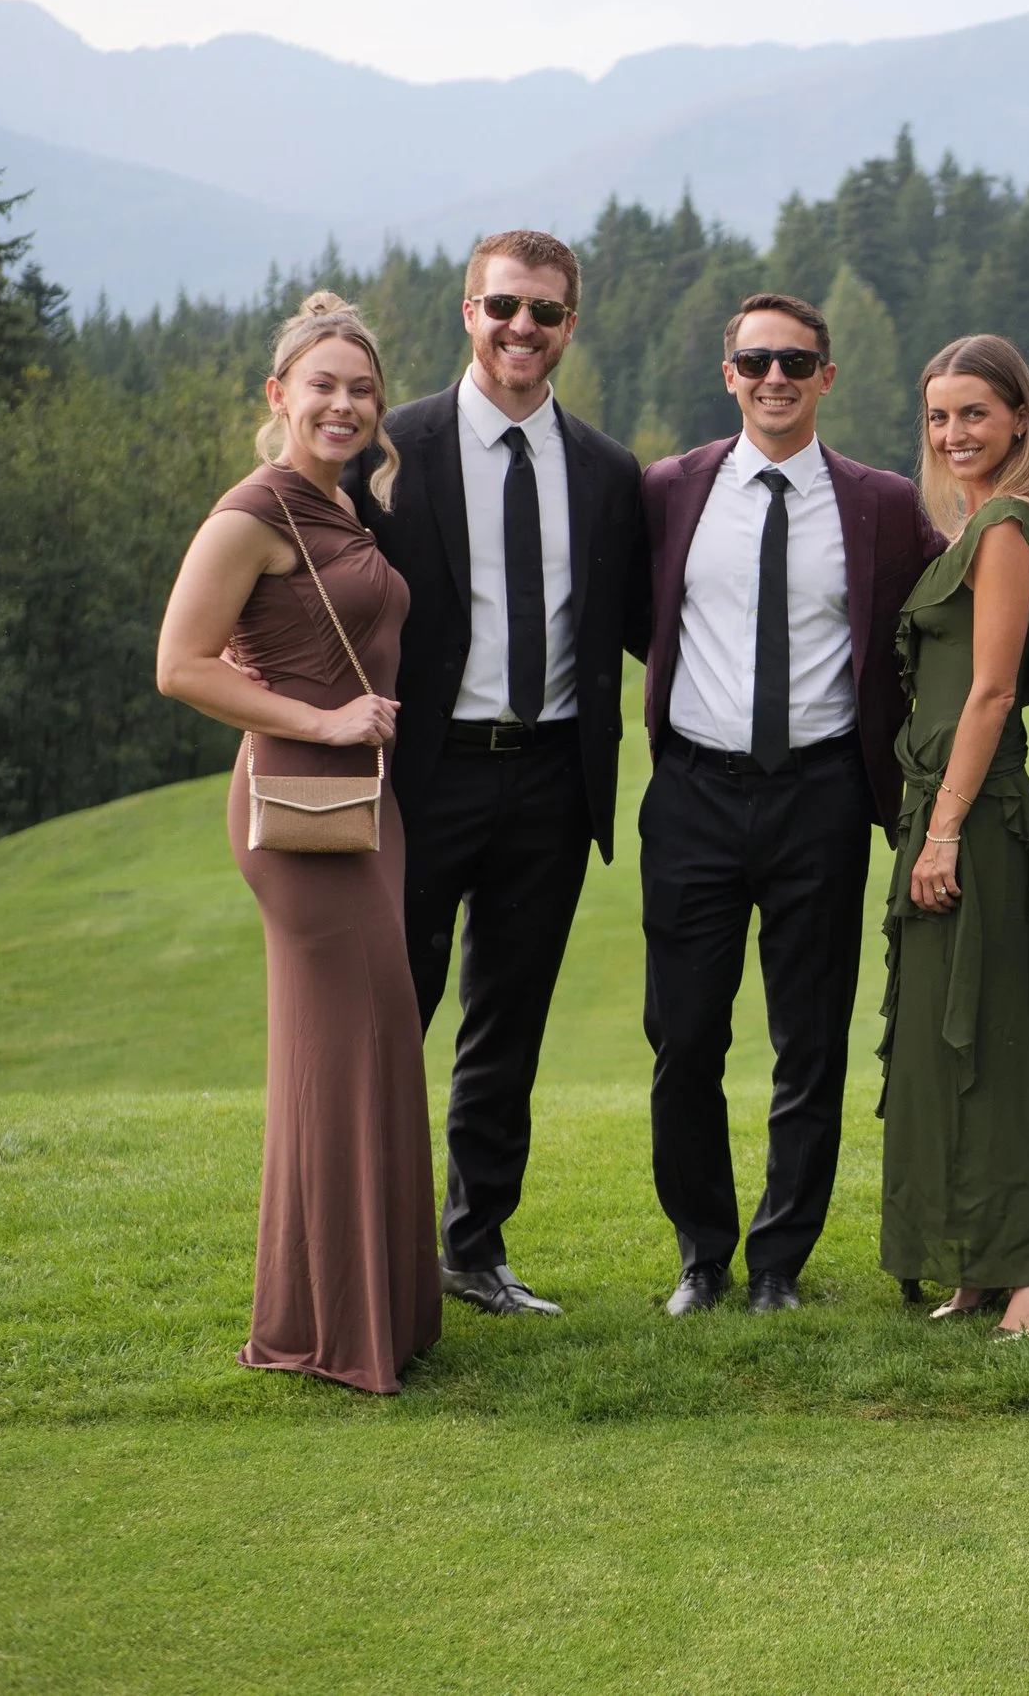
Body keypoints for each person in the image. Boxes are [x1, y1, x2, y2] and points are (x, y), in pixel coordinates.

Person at [340, 231, 648, 1319]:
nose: (524, 328)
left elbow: (654, 626)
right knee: (388, 1017)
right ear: (468, 311)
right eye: (504, 306)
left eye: (546, 312)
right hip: (424, 778)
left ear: (570, 326)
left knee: (505, 1030)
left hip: (553, 782)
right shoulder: (391, 451)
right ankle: (360, 1255)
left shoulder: (610, 474)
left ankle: (474, 1251)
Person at [638, 291, 945, 1316]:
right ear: (728, 375)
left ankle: (778, 1265)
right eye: (757, 361)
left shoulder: (883, 504)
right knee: (685, 1036)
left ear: (827, 377)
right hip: (692, 794)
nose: (776, 378)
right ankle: (701, 1253)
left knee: (808, 1041)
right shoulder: (669, 491)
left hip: (819, 794)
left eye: (796, 362)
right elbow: (643, 622)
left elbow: (941, 627)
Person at [155, 292, 439, 1394]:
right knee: (349, 1046)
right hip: (299, 809)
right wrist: (324, 721)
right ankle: (327, 1330)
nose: (345, 403)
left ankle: (370, 1312)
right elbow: (182, 665)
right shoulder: (253, 512)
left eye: (361, 388)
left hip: (363, 807)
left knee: (367, 1047)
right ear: (279, 396)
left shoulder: (341, 505)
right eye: (322, 384)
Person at [878, 336, 1029, 1337]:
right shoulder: (986, 521)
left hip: (972, 818)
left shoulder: (1007, 524)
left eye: (972, 414)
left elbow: (997, 689)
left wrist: (946, 829)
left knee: (985, 1042)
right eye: (937, 417)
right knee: (938, 1045)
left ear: (1017, 419)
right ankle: (979, 1257)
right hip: (941, 807)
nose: (953, 433)